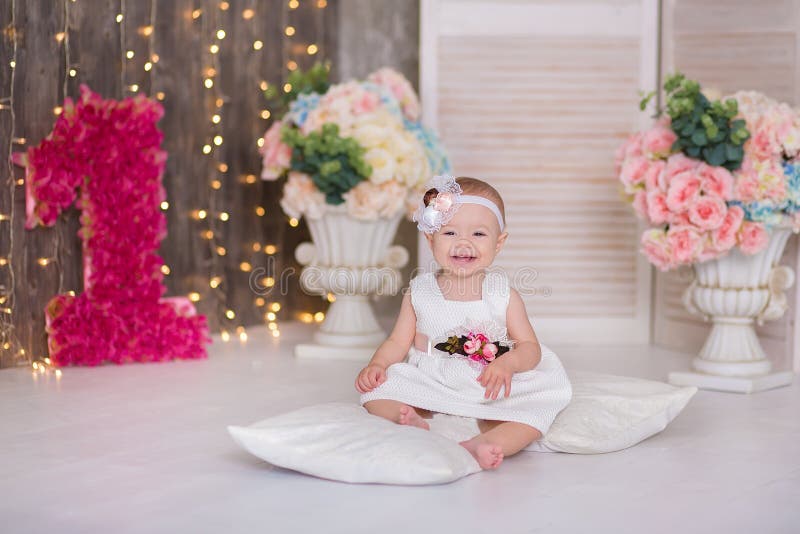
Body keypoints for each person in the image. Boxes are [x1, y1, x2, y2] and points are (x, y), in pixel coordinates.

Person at [355, 175, 572, 469]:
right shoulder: (419, 291)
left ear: (499, 242)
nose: (464, 243)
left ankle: (486, 443)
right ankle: (408, 420)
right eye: (450, 233)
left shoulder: (502, 294)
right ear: (430, 239)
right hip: (434, 377)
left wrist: (509, 363)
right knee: (375, 394)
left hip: (490, 380)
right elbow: (397, 341)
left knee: (535, 412)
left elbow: (530, 347)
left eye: (479, 234)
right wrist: (378, 365)